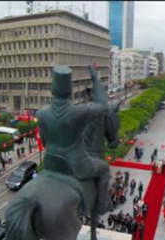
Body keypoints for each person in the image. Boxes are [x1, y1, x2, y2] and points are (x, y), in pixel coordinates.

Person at [35, 65, 114, 217]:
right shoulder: (80, 111)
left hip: (50, 164)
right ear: (70, 91)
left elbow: (44, 143)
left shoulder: (41, 114)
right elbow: (103, 106)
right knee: (104, 168)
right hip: (76, 166)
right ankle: (102, 206)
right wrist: (95, 79)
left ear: (52, 90)